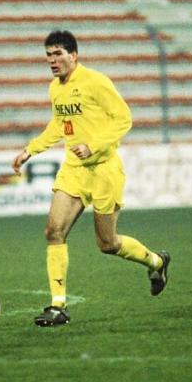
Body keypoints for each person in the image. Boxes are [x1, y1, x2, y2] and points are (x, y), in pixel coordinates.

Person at [11, 30, 170, 327]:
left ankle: (156, 262)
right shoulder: (55, 89)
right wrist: (28, 150)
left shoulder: (96, 82)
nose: (52, 60)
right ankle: (58, 306)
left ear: (74, 55)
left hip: (104, 170)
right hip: (74, 169)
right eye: (48, 55)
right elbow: (58, 126)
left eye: (57, 53)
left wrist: (93, 145)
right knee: (53, 231)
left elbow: (124, 119)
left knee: (108, 244)